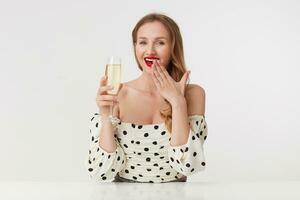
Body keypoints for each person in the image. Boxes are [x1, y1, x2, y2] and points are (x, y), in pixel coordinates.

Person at [85, 13, 208, 183]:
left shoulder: (194, 94)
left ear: (173, 47)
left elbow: (188, 167)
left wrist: (178, 103)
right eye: (143, 42)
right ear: (135, 47)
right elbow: (100, 173)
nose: (150, 51)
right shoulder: (118, 94)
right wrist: (105, 116)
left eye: (160, 43)